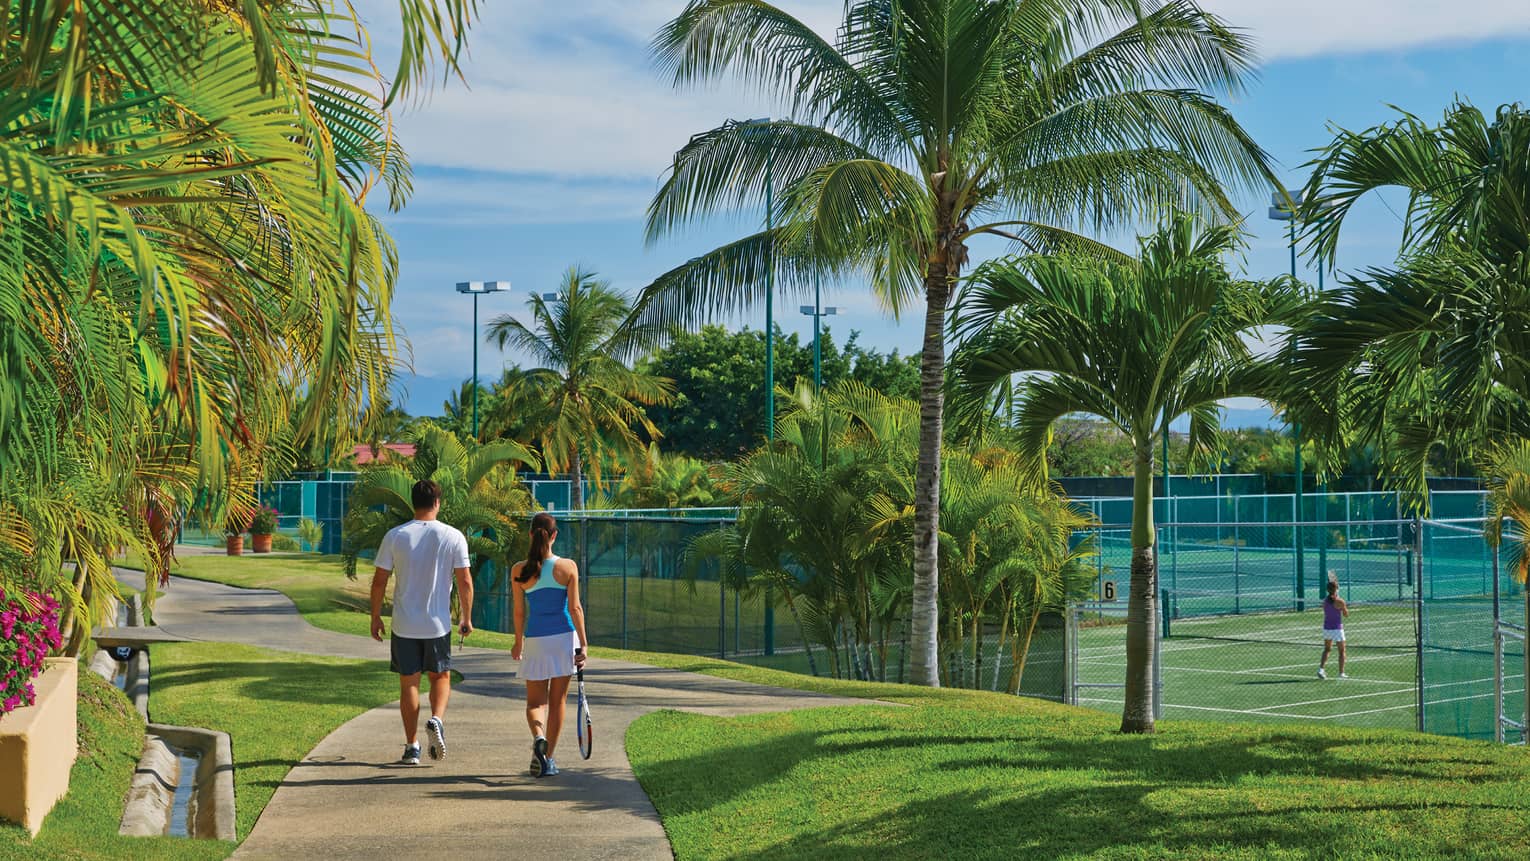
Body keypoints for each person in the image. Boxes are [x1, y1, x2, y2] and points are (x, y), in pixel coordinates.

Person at [370, 480, 473, 766]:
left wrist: (375, 616)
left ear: (412, 502)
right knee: (441, 677)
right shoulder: (453, 536)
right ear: (437, 502)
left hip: (404, 624)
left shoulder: (395, 536)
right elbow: (465, 580)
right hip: (437, 624)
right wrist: (466, 617)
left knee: (409, 685)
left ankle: (412, 746)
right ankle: (436, 719)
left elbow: (379, 581)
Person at [510, 512, 589, 777]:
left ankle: (538, 736)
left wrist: (518, 642)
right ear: (554, 536)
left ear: (531, 534)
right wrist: (585, 644)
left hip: (535, 641)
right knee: (557, 703)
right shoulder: (568, 567)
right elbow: (575, 608)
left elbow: (519, 613)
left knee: (535, 703)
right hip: (564, 639)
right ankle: (548, 759)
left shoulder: (519, 571)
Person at [1317, 576, 1348, 680]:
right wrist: (1343, 606)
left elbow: (1328, 608)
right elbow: (1346, 614)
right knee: (1342, 651)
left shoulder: (1325, 601)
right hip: (1337, 629)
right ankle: (1341, 673)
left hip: (1326, 628)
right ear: (1336, 589)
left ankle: (1321, 669)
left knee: (1327, 649)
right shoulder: (1340, 601)